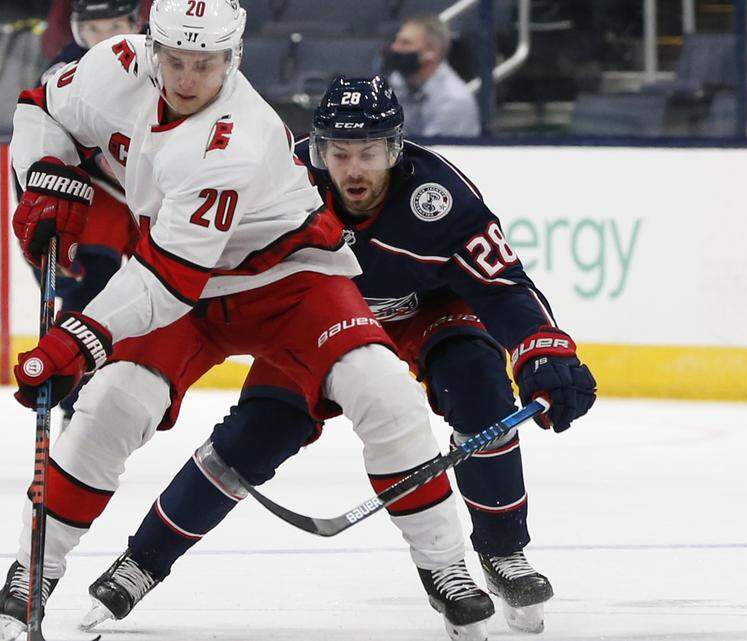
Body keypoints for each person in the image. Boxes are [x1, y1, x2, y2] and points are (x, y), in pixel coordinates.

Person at [0, 3, 485, 641]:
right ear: (150, 51)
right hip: (180, 280)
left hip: (286, 279)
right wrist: (44, 175)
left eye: (208, 63)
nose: (190, 78)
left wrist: (76, 340)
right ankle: (35, 569)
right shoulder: (113, 66)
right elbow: (38, 109)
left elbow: (168, 282)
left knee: (384, 390)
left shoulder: (235, 139)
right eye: (177, 61)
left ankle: (447, 568)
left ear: (235, 59)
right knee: (110, 405)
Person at [80, 76, 597, 637]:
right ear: (318, 149)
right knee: (254, 435)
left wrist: (544, 352)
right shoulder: (278, 176)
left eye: (370, 153)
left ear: (395, 150)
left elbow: (501, 285)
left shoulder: (439, 198)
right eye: (339, 153)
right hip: (314, 322)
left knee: (480, 390)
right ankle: (142, 562)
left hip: (427, 314)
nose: (353, 170)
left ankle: (502, 552)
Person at [34, 0, 144, 426]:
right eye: (95, 29)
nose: (106, 38)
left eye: (116, 26)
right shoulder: (63, 74)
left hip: (146, 200)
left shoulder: (159, 63)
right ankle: (73, 397)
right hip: (95, 200)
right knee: (92, 289)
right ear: (78, 32)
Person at [384, 14, 481, 138]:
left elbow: (430, 155)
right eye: (396, 41)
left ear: (431, 52)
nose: (394, 48)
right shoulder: (396, 82)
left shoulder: (453, 100)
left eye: (405, 43)